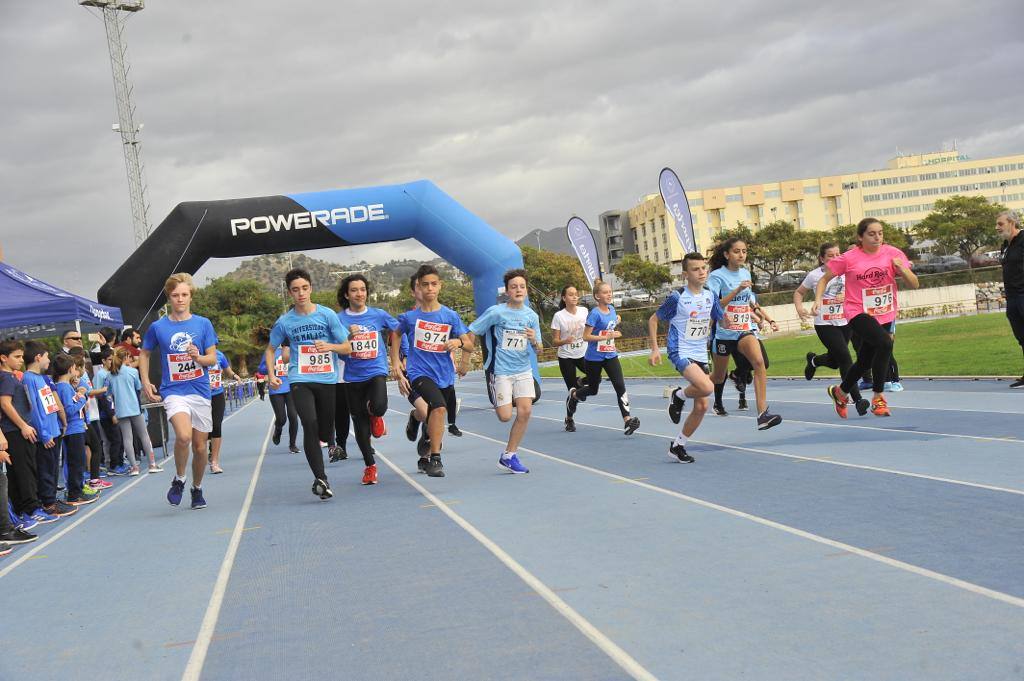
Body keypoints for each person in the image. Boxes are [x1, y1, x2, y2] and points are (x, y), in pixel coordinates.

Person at [816, 217, 919, 417]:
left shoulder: (893, 253)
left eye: (880, 233)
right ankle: (878, 398)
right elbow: (824, 279)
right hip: (858, 312)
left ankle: (841, 392)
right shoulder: (849, 258)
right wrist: (818, 299)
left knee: (864, 361)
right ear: (860, 237)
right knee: (885, 344)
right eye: (871, 234)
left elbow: (914, 284)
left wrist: (902, 269)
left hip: (885, 312)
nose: (877, 237)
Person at [266, 268, 351, 500]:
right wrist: (272, 375)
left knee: (324, 429)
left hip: (327, 380)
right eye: (295, 290)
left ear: (311, 288)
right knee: (309, 423)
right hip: (300, 379)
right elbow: (270, 349)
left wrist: (330, 347)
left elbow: (347, 347)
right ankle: (320, 477)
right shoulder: (285, 321)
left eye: (304, 288)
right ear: (290, 293)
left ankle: (326, 447)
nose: (301, 293)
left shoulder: (327, 315)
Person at [140, 273, 218, 509]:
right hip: (173, 390)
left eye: (184, 295)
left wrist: (199, 357)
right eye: (175, 295)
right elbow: (144, 353)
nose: (180, 299)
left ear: (191, 296)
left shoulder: (203, 324)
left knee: (200, 446)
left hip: (200, 390)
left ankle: (197, 488)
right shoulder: (158, 327)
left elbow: (212, 358)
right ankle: (180, 478)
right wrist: (145, 381)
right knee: (183, 436)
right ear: (169, 298)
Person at [390, 264, 473, 478]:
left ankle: (418, 424)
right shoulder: (410, 317)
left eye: (433, 284)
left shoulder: (450, 316)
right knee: (438, 407)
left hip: (444, 374)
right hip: (419, 373)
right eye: (425, 284)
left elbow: (469, 343)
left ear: (440, 286)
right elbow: (396, 335)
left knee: (437, 413)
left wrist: (458, 342)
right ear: (419, 286)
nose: (429, 288)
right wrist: (396, 362)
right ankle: (436, 458)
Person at [462, 268, 540, 473]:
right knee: (505, 416)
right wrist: (465, 359)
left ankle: (509, 455)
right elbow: (471, 330)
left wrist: (533, 340)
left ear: (526, 291)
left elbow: (539, 348)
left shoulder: (531, 316)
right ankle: (496, 390)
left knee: (525, 412)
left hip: (523, 369)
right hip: (501, 370)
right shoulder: (496, 312)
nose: (518, 290)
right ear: (507, 291)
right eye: (514, 287)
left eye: (522, 286)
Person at [648, 253, 720, 463]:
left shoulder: (710, 295)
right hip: (680, 351)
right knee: (707, 387)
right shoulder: (677, 297)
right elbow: (653, 320)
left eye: (704, 268)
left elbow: (719, 318)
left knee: (702, 407)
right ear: (686, 274)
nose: (702, 272)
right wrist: (655, 349)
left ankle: (678, 445)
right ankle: (678, 396)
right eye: (696, 269)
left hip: (700, 353)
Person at [706, 238, 783, 430]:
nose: (741, 255)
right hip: (724, 334)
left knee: (759, 363)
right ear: (726, 255)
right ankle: (681, 394)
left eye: (744, 251)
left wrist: (758, 314)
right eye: (736, 251)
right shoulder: (716, 276)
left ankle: (762, 414)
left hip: (744, 331)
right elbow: (714, 304)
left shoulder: (746, 273)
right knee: (717, 378)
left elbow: (748, 300)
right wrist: (736, 290)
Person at [337, 274, 400, 485]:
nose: (359, 293)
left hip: (376, 370)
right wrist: (348, 338)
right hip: (352, 376)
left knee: (379, 406)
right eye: (354, 290)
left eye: (362, 289)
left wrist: (402, 356)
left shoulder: (378, 314)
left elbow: (399, 330)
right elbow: (337, 350)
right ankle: (370, 466)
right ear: (347, 294)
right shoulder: (339, 319)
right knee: (360, 425)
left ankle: (377, 415)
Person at [795, 243, 869, 416]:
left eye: (838, 254)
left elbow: (860, 288)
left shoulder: (847, 271)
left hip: (845, 321)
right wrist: (800, 308)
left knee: (836, 361)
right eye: (830, 255)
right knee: (845, 358)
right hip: (824, 323)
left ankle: (814, 361)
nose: (836, 258)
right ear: (822, 258)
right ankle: (857, 400)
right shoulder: (814, 275)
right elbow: (799, 292)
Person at [566, 280, 640, 435]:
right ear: (597, 296)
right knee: (593, 390)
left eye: (610, 292)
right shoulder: (594, 314)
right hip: (594, 358)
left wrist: (616, 324)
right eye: (605, 292)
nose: (609, 294)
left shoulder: (612, 309)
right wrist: (608, 336)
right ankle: (574, 395)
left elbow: (614, 320)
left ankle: (627, 420)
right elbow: (586, 336)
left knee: (620, 385)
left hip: (610, 355)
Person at [21, 341, 76, 519]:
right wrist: (44, 434)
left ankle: (51, 498)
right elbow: (34, 409)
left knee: (53, 468)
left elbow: (50, 404)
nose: (48, 360)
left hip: (54, 430)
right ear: (38, 357)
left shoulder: (43, 378)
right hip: (45, 434)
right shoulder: (28, 379)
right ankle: (48, 503)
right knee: (45, 469)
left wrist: (60, 421)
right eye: (46, 356)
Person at [0, 340, 49, 529]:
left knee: (25, 469)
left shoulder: (12, 376)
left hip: (18, 429)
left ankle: (24, 509)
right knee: (23, 471)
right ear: (4, 358)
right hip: (13, 431)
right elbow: (5, 404)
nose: (21, 360)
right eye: (17, 357)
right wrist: (22, 426)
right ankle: (29, 509)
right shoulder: (5, 378)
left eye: (21, 356)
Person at [100, 347, 161, 475]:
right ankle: (152, 464)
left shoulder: (110, 375)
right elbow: (138, 387)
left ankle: (134, 467)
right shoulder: (132, 372)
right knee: (144, 435)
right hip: (134, 407)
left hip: (121, 410)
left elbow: (108, 393)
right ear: (126, 358)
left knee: (127, 439)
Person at [50, 354, 97, 506]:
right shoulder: (63, 387)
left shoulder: (63, 386)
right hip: (73, 429)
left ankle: (77, 490)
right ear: (71, 369)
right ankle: (74, 494)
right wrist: (82, 397)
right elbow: (69, 409)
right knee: (76, 462)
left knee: (78, 461)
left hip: (74, 428)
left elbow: (71, 403)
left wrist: (77, 393)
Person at [550, 284, 588, 432]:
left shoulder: (584, 311)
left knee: (595, 378)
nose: (574, 296)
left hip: (583, 353)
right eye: (570, 294)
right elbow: (555, 341)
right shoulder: (559, 316)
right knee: (572, 392)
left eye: (576, 294)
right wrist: (565, 341)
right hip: (566, 356)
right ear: (564, 298)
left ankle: (580, 381)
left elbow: (594, 326)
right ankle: (569, 419)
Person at [256, 328, 299, 453]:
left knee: (293, 416)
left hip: (291, 386)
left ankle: (292, 445)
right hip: (276, 388)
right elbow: (261, 369)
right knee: (282, 418)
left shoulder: (292, 349)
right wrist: (271, 367)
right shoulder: (270, 351)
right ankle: (278, 429)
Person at [996, 209, 1024, 388]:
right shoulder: (1005, 245)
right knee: (1022, 337)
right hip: (1012, 298)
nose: (997, 227)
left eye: (1000, 224)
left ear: (1012, 223)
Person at [207, 349, 240, 474]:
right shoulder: (197, 354)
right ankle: (209, 445)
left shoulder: (220, 355)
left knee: (216, 425)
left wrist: (235, 376)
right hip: (201, 396)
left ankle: (214, 462)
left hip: (217, 394)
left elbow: (228, 371)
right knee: (204, 429)